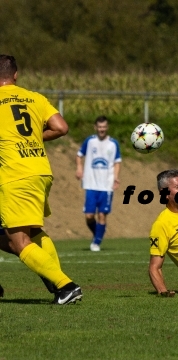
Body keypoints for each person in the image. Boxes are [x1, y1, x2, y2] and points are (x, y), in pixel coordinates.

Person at [0, 54, 82, 304]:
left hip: (15, 174)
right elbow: (61, 127)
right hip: (40, 170)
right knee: (33, 232)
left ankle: (65, 285)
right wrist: (33, 138)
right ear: (15, 75)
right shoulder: (35, 97)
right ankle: (54, 280)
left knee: (18, 240)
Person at [76, 115, 122, 252]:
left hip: (106, 186)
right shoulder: (89, 141)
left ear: (107, 128)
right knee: (89, 216)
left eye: (104, 127)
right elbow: (79, 155)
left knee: (102, 215)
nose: (102, 129)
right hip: (90, 184)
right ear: (95, 127)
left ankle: (96, 242)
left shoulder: (113, 144)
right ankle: (99, 233)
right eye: (99, 127)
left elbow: (117, 162)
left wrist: (116, 177)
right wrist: (79, 168)